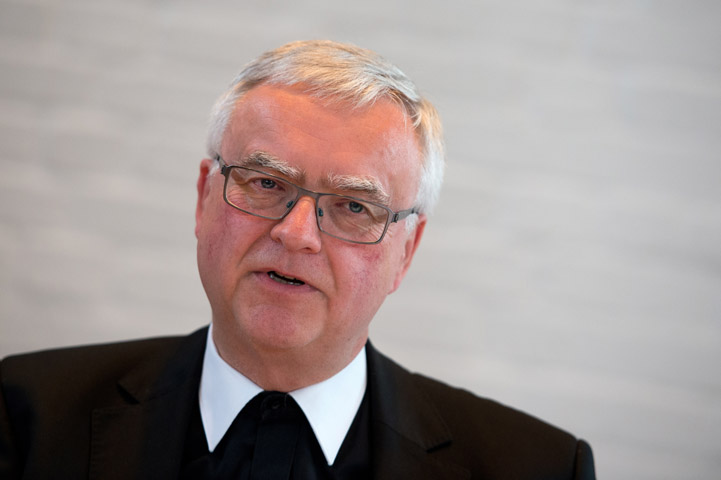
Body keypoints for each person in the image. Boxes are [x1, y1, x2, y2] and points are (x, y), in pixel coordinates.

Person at [0, 40, 595, 479]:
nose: (297, 234)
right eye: (265, 183)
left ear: (404, 253)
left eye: (354, 208)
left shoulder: (537, 467)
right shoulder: (26, 414)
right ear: (205, 199)